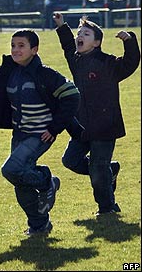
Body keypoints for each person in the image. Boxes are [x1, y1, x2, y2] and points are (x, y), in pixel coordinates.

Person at [0, 29, 82, 236]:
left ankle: (46, 180)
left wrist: (54, 127)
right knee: (20, 182)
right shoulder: (8, 70)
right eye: (13, 45)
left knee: (11, 170)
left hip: (41, 134)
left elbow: (72, 95)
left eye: (21, 46)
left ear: (34, 49)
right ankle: (39, 225)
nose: (15, 50)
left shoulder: (46, 74)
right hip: (20, 134)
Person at [53, 13, 141, 216]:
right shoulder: (76, 61)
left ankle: (107, 208)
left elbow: (130, 62)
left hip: (105, 125)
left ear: (97, 42)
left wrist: (129, 40)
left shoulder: (108, 63)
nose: (79, 36)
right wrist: (61, 26)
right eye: (78, 33)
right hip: (81, 125)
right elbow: (67, 46)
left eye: (85, 33)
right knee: (70, 160)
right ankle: (110, 170)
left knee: (98, 168)